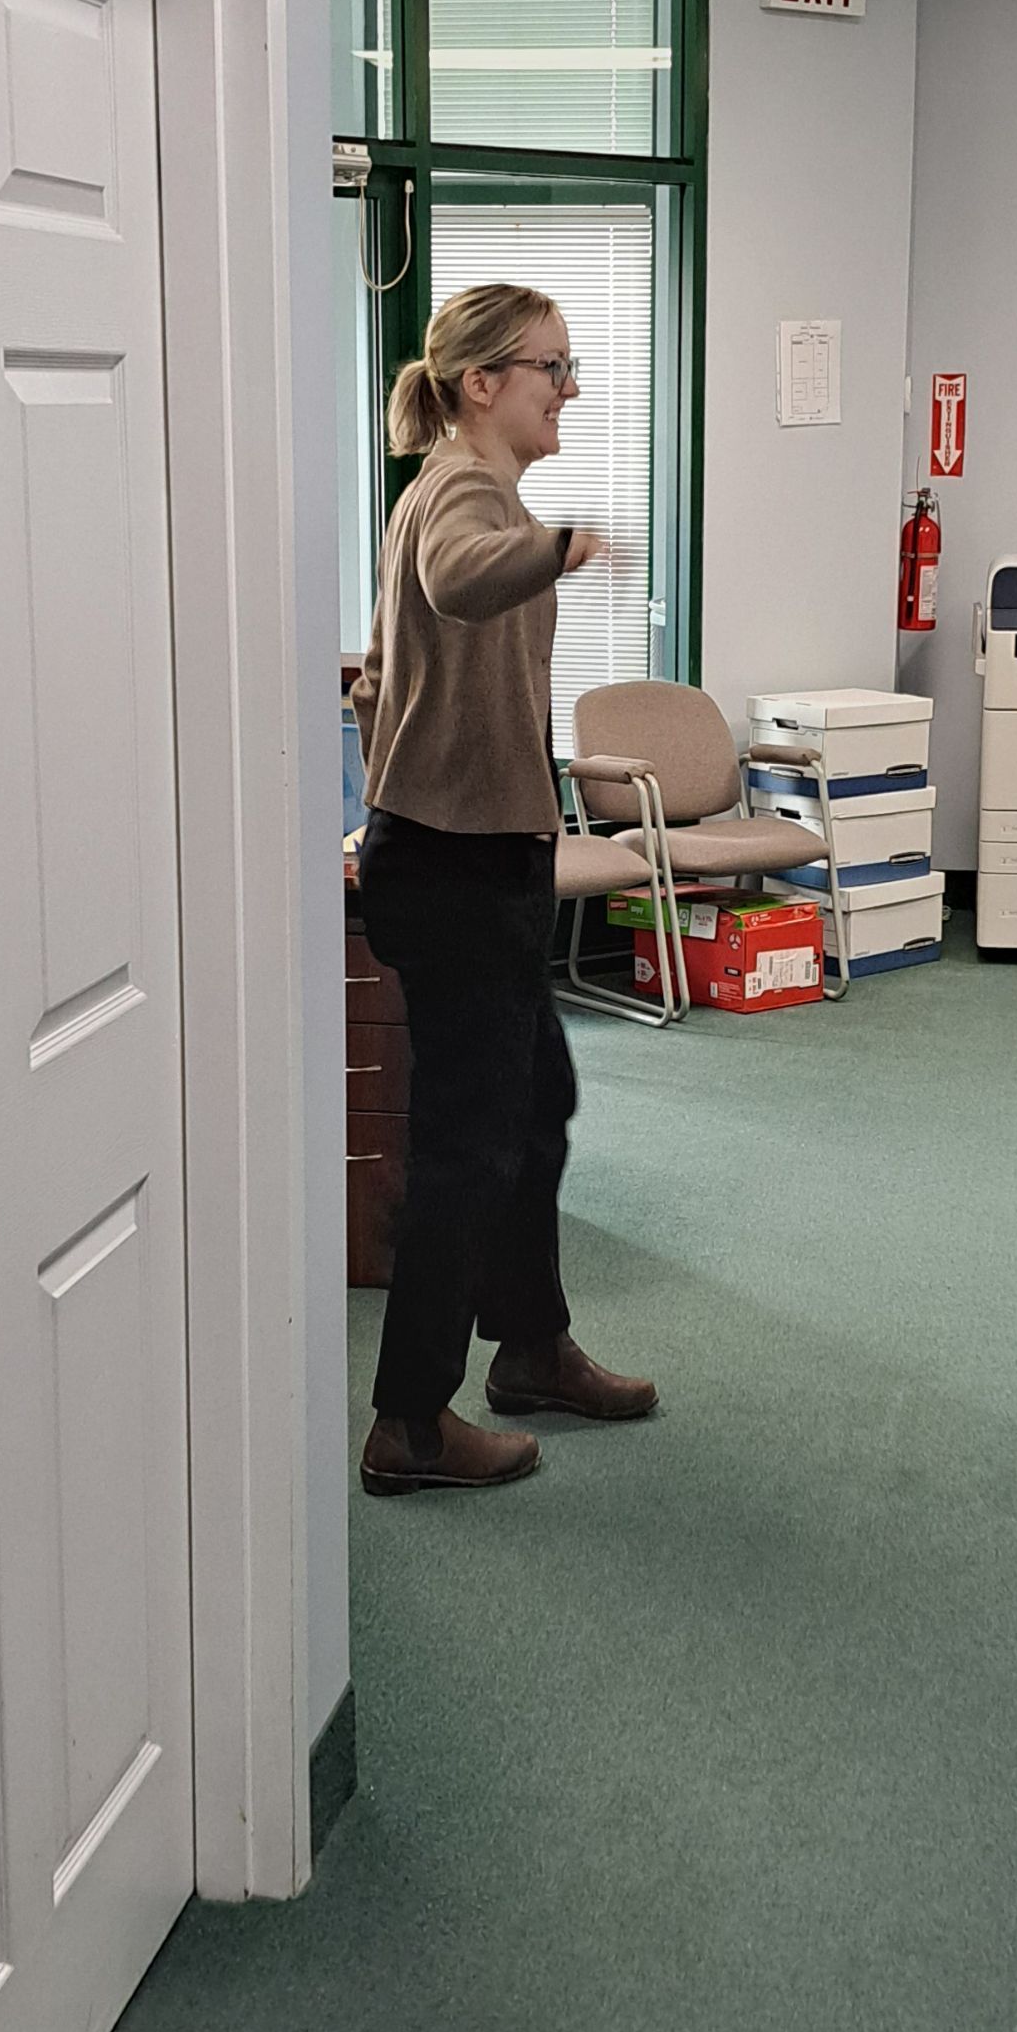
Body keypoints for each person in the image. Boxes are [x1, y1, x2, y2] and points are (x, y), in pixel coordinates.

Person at [348, 282, 658, 1498]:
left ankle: (531, 1349)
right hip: (460, 868)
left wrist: (396, 727)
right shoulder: (465, 497)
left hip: (472, 853)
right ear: (483, 384)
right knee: (471, 1144)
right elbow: (464, 577)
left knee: (533, 1109)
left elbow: (387, 666)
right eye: (552, 367)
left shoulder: (465, 489)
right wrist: (562, 547)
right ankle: (410, 1423)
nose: (569, 389)